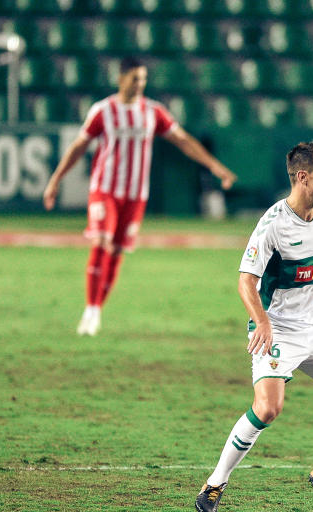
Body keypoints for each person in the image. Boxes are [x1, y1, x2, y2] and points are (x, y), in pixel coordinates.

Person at [195, 141, 313, 512]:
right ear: (303, 176)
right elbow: (245, 281)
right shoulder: (273, 225)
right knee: (267, 408)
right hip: (277, 330)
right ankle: (215, 483)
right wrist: (262, 321)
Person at [42, 56, 237, 336]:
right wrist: (55, 180)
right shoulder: (103, 111)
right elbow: (78, 147)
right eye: (135, 78)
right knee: (100, 242)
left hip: (135, 195)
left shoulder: (153, 112)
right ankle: (91, 308)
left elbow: (183, 141)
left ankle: (96, 309)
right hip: (105, 189)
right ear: (121, 79)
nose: (140, 84)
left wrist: (215, 166)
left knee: (117, 251)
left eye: (143, 78)